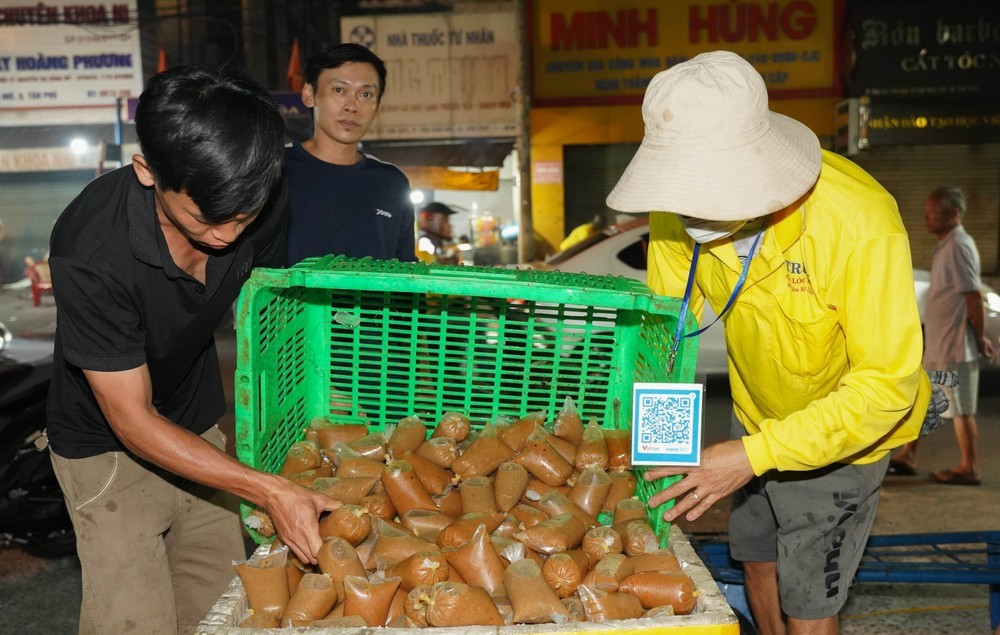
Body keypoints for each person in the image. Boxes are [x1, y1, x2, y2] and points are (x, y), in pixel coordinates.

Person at [606, 51, 931, 634]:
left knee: (809, 600)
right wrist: (658, 454)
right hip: (756, 417)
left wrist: (752, 457)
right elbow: (667, 334)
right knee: (756, 559)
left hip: (843, 436)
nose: (686, 212)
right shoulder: (675, 214)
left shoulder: (859, 223)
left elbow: (886, 387)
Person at [46, 65, 341, 634]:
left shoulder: (259, 193)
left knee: (219, 612)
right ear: (147, 171)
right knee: (135, 620)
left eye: (243, 217)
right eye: (206, 218)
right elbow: (131, 419)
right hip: (105, 448)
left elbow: (269, 312)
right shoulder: (91, 249)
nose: (230, 235)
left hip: (197, 419)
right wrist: (269, 489)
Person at [890, 186, 996, 485]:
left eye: (933, 212)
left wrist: (980, 336)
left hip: (954, 347)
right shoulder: (947, 245)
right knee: (925, 399)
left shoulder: (959, 245)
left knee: (961, 410)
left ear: (954, 214)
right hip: (940, 345)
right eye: (926, 212)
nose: (927, 218)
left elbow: (972, 296)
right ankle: (908, 455)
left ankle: (969, 467)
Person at [285, 43, 416, 266]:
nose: (352, 106)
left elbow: (405, 270)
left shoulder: (391, 183)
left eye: (365, 94)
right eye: (339, 90)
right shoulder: (275, 171)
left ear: (378, 108)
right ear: (309, 94)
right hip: (288, 302)